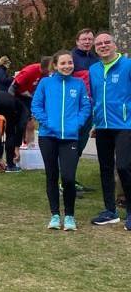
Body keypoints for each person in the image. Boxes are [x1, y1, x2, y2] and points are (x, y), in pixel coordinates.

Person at [31, 50, 91, 231]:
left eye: (70, 63)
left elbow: (85, 107)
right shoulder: (45, 83)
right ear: (55, 65)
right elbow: (36, 105)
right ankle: (55, 215)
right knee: (52, 175)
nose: (67, 66)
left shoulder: (79, 84)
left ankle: (70, 216)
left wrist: (76, 124)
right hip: (48, 136)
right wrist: (48, 123)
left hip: (70, 137)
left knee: (68, 177)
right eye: (63, 63)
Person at [88, 32, 131, 228]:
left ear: (114, 45)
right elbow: (95, 98)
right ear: (95, 48)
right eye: (99, 44)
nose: (103, 46)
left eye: (107, 42)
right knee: (105, 168)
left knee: (123, 166)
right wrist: (95, 122)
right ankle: (110, 211)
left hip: (125, 125)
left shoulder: (127, 65)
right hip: (103, 126)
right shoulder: (94, 70)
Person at [70, 29, 99, 190]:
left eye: (90, 39)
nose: (87, 42)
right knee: (70, 145)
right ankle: (65, 181)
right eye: (84, 39)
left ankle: (71, 179)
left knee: (80, 145)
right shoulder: (71, 58)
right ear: (77, 41)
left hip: (89, 109)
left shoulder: (95, 59)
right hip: (74, 109)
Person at [9, 57, 52, 146]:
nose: (52, 71)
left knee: (30, 122)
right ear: (46, 68)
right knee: (20, 122)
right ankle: (16, 144)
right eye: (51, 69)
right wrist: (11, 103)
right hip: (17, 96)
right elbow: (12, 87)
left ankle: (30, 144)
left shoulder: (46, 75)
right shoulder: (29, 71)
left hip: (28, 96)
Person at [0, 91, 28, 173]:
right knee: (10, 132)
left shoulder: (16, 101)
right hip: (6, 105)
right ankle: (10, 165)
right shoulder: (24, 111)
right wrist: (17, 147)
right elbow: (20, 128)